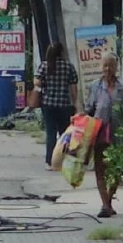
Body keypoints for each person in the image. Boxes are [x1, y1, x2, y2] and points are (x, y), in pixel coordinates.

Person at [85, 52, 123, 218]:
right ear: (101, 67)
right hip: (99, 135)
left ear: (117, 68)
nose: (108, 69)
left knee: (116, 170)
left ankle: (108, 201)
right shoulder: (95, 86)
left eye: (111, 65)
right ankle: (105, 204)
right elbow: (89, 110)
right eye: (105, 65)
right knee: (100, 169)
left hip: (118, 136)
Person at [33, 42, 78, 170]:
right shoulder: (68, 66)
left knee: (51, 133)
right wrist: (75, 103)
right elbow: (73, 88)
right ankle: (62, 161)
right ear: (61, 52)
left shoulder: (44, 66)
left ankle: (49, 162)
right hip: (64, 105)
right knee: (64, 134)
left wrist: (44, 82)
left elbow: (37, 82)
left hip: (48, 104)